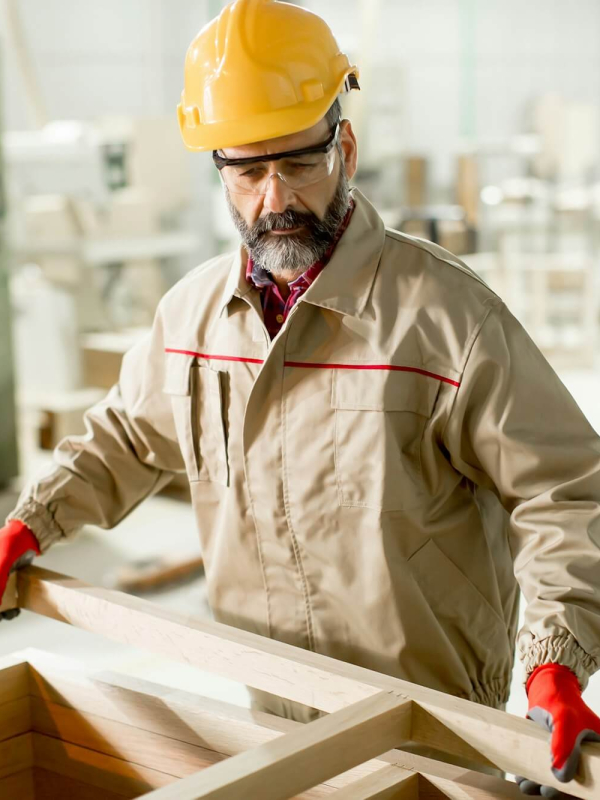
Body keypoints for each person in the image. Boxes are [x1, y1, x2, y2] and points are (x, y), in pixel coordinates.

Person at [2, 0, 600, 794]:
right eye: (248, 171)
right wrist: (30, 521)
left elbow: (562, 493)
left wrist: (554, 660)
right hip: (268, 712)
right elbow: (125, 440)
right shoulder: (190, 317)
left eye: (299, 162)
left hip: (436, 724)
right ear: (219, 169)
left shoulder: (448, 319)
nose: (275, 196)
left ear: (344, 146)